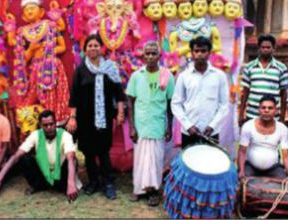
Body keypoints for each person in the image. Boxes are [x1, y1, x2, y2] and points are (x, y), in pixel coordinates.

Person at [67, 34, 125, 200]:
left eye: (96, 45)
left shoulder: (110, 68)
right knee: (88, 152)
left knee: (104, 151)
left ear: (101, 48)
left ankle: (108, 183)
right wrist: (72, 117)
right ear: (85, 50)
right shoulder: (80, 70)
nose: (93, 48)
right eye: (90, 46)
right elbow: (74, 96)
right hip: (85, 119)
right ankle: (93, 182)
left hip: (104, 118)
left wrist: (120, 112)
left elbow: (118, 92)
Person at [0, 110, 80, 201]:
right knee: (23, 158)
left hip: (60, 175)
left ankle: (65, 186)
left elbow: (71, 159)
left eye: (51, 124)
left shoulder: (65, 135)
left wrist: (71, 183)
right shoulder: (36, 135)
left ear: (56, 123)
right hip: (44, 175)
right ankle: (38, 186)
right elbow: (16, 156)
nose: (49, 127)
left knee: (73, 159)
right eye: (45, 125)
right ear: (40, 125)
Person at [127, 41, 175, 206]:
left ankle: (154, 191)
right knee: (140, 158)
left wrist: (169, 126)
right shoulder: (136, 75)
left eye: (154, 53)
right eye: (147, 53)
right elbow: (130, 101)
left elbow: (171, 103)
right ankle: (139, 189)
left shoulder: (167, 76)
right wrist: (132, 127)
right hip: (141, 125)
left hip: (158, 124)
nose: (150, 57)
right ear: (143, 56)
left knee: (155, 159)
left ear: (159, 56)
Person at [171, 36, 229, 148]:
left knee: (210, 164)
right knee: (189, 164)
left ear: (209, 53)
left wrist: (212, 126)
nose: (199, 54)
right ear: (192, 53)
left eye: (203, 51)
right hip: (189, 132)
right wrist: (188, 126)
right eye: (196, 51)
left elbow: (223, 105)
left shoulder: (219, 76)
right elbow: (176, 104)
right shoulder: (184, 76)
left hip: (211, 132)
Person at [238, 95, 288, 180]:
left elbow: (286, 155)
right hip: (250, 166)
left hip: (274, 168)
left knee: (284, 184)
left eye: (270, 108)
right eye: (263, 108)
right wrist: (241, 171)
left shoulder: (282, 128)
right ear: (259, 110)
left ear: (276, 110)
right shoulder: (248, 126)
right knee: (243, 185)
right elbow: (242, 151)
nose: (266, 110)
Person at [239, 34, 288, 126]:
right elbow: (245, 92)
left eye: (268, 47)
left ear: (273, 48)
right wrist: (241, 113)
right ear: (259, 48)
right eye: (263, 47)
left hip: (273, 116)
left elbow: (284, 94)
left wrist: (282, 117)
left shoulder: (281, 68)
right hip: (252, 115)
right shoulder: (249, 67)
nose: (265, 49)